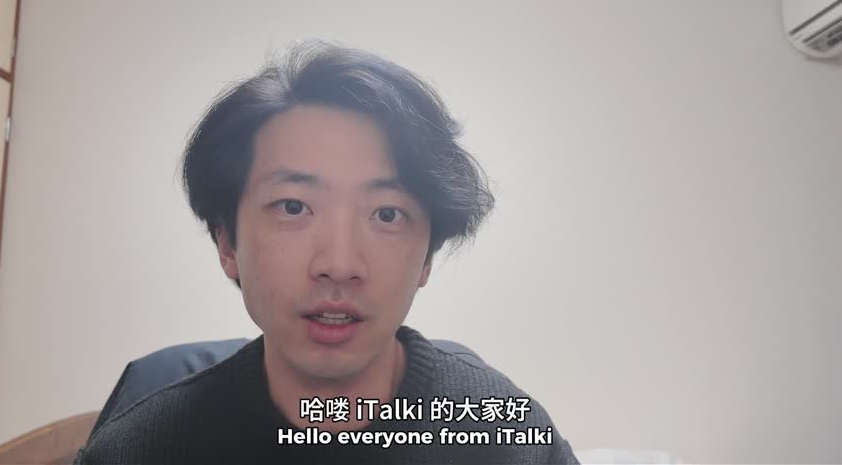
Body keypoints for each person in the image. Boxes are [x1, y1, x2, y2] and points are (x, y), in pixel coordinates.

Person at [75, 39, 578, 464]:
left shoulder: (507, 441)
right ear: (227, 243)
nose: (339, 265)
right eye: (293, 207)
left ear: (427, 257)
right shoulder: (139, 452)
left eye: (387, 214)